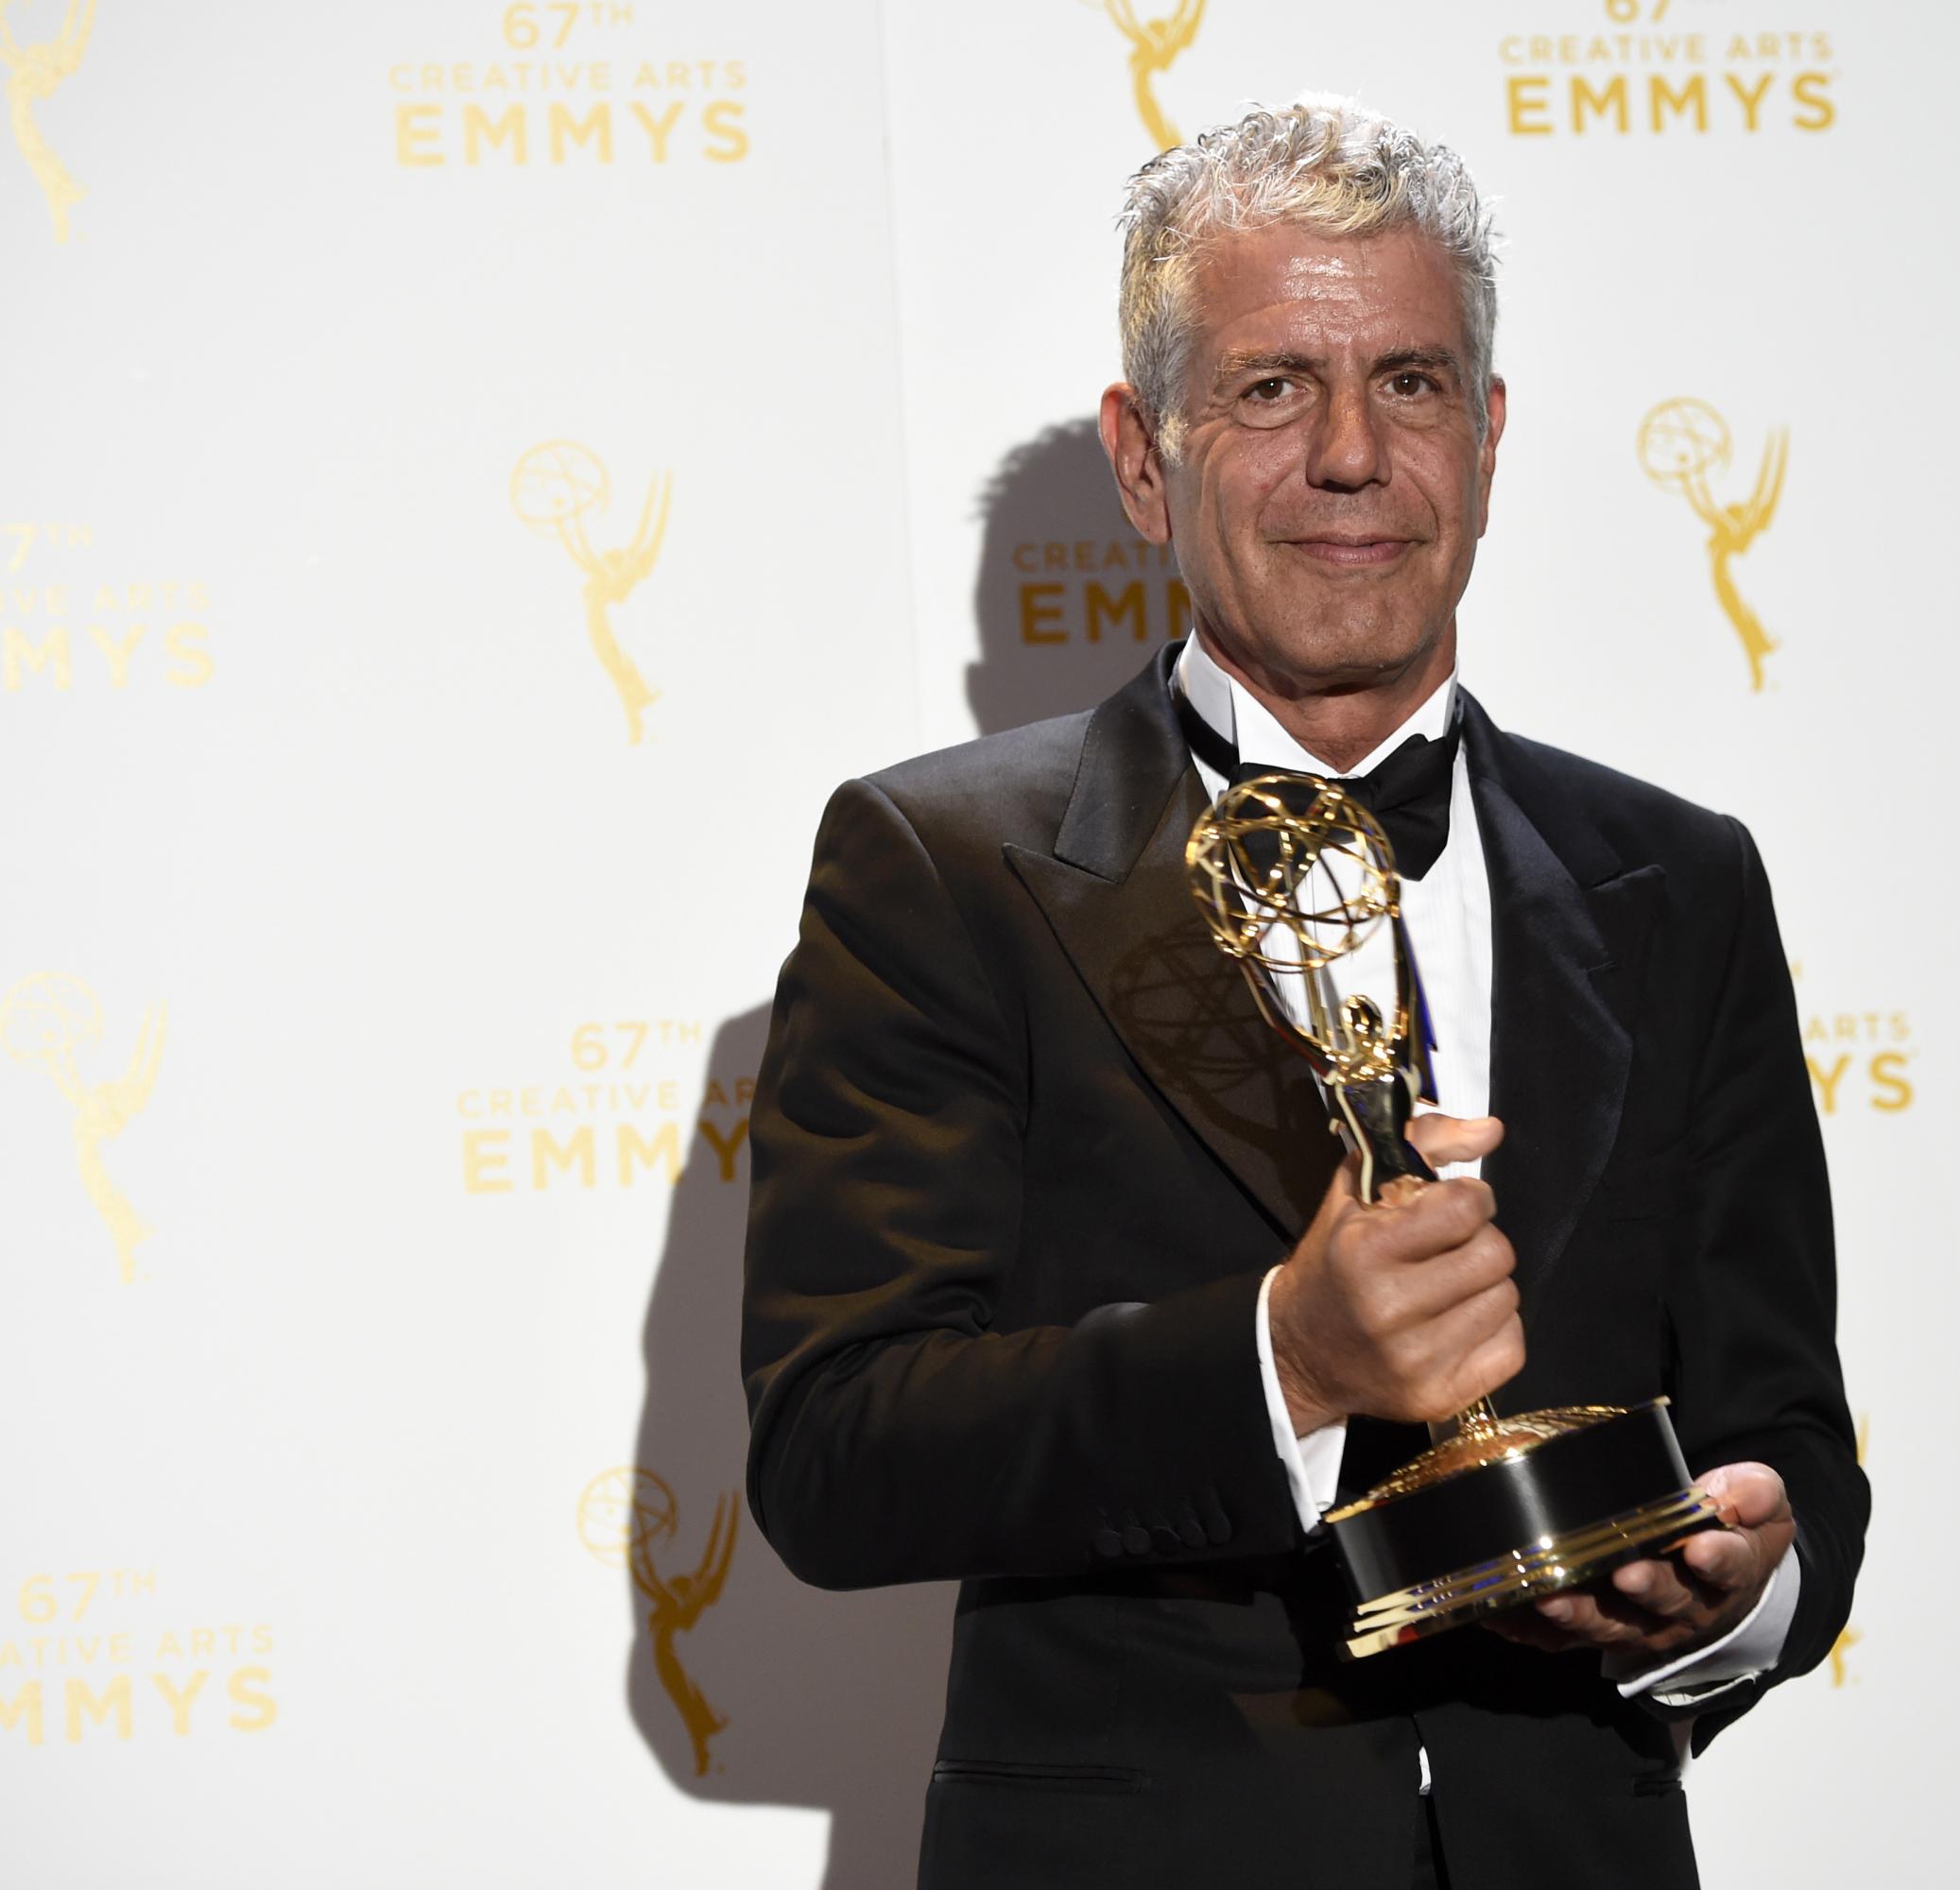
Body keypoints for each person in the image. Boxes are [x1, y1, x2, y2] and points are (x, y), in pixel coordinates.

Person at [741, 96, 1865, 1890]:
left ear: (1487, 441)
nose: (1353, 456)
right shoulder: (937, 871)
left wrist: (1739, 1589)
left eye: (1412, 383)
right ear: (1141, 457)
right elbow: (834, 1452)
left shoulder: (1686, 878)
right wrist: (1285, 1364)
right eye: (1273, 389)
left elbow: (1785, 1427)